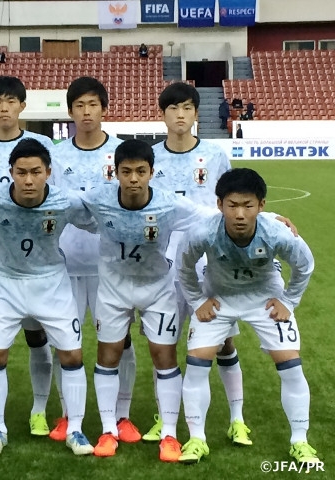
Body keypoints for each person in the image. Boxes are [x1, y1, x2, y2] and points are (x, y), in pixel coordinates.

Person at [81, 139, 214, 461]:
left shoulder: (170, 204)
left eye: (141, 171)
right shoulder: (98, 199)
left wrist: (270, 218)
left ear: (152, 172)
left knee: (163, 356)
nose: (134, 179)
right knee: (108, 355)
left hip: (157, 289)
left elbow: (212, 215)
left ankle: (169, 434)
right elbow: (59, 204)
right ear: (115, 172)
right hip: (113, 289)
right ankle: (109, 430)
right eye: (126, 171)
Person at [177, 168, 319, 466]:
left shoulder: (277, 232)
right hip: (219, 298)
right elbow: (184, 266)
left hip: (264, 299)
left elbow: (305, 265)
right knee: (197, 362)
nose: (240, 214)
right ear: (220, 204)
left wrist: (288, 301)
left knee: (290, 365)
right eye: (232, 205)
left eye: (248, 205)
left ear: (261, 205)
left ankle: (300, 441)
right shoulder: (203, 232)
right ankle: (197, 439)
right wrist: (198, 300)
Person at [0, 138, 95, 456]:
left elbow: (99, 220)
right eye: (21, 172)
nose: (28, 179)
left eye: (35, 172)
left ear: (48, 172)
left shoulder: (65, 201)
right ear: (11, 172)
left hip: (52, 284)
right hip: (6, 283)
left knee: (72, 356)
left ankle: (75, 429)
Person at [147, 81, 248, 446]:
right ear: (162, 115)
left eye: (187, 108)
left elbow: (233, 203)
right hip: (161, 261)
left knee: (223, 342)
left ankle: (237, 418)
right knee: (163, 343)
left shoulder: (215, 155)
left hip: (209, 260)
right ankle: (166, 419)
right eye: (173, 108)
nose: (180, 115)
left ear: (195, 114)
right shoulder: (150, 158)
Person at [52, 77, 140, 445]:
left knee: (122, 342)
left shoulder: (121, 153)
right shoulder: (55, 155)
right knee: (64, 343)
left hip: (112, 266)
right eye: (79, 106)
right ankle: (67, 414)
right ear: (70, 112)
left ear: (104, 108)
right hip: (65, 263)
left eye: (93, 104)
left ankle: (122, 415)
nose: (86, 112)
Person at [0, 76, 56, 438]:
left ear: (22, 105)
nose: (4, 108)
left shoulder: (42, 145)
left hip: (35, 256)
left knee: (37, 335)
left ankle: (39, 410)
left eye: (10, 101)